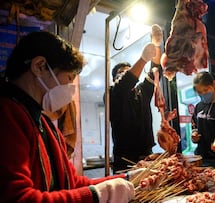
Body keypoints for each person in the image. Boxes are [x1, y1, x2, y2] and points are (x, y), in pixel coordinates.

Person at [0, 31, 136, 202]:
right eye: (69, 78)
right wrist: (96, 196)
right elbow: (16, 197)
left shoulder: (44, 122)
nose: (71, 88)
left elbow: (73, 182)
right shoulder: (7, 114)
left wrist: (129, 178)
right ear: (39, 66)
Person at [110, 24, 163, 172]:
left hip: (146, 154)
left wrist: (156, 45)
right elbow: (125, 83)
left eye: (127, 71)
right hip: (124, 158)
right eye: (120, 73)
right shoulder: (112, 93)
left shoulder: (141, 91)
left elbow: (155, 73)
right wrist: (143, 59)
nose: (125, 74)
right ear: (115, 78)